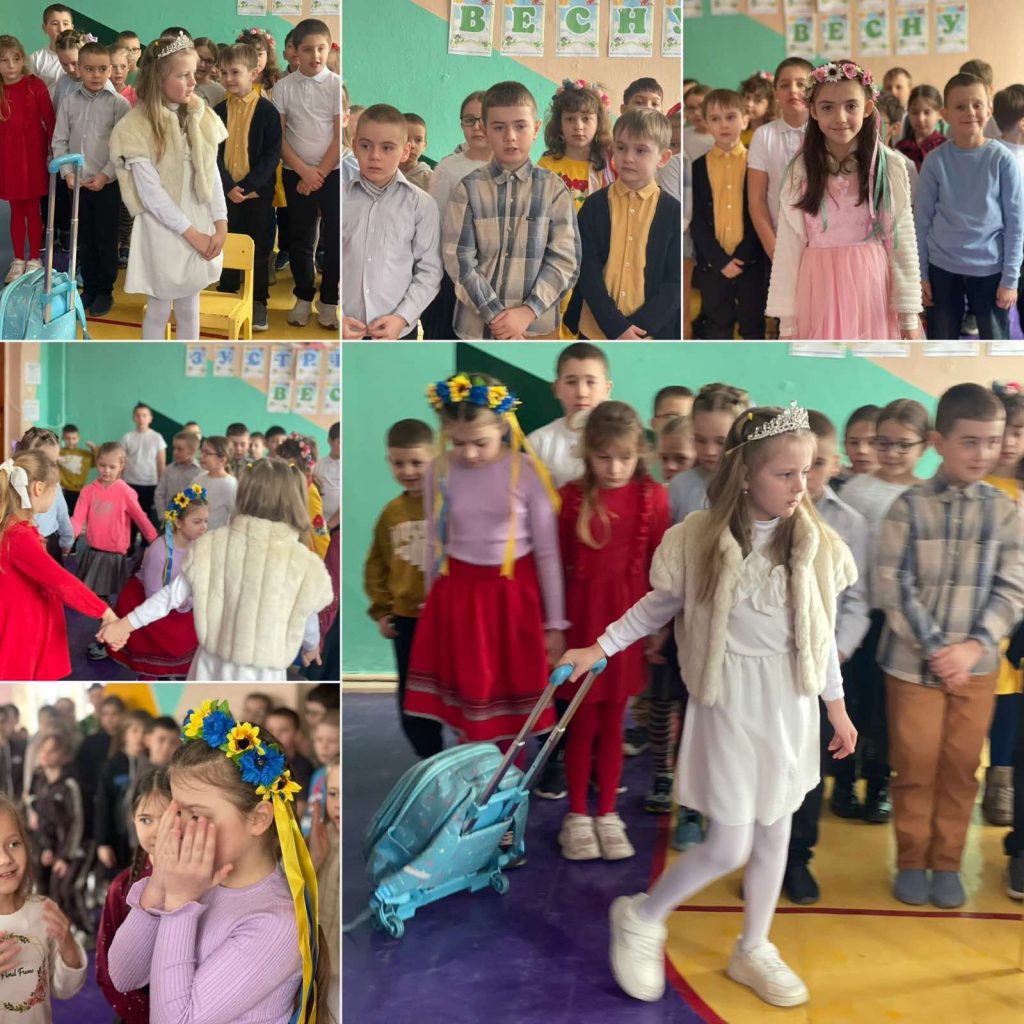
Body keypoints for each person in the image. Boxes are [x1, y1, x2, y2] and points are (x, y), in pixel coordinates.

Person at [558, 401, 858, 1008]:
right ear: (745, 474)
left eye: (806, 472)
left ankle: (754, 946)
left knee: (775, 833)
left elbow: (820, 635)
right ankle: (643, 915)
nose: (800, 486)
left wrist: (837, 706)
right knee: (729, 844)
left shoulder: (815, 544)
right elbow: (655, 608)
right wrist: (600, 646)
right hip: (729, 704)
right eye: (785, 474)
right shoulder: (697, 540)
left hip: (789, 705)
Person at [878, 384, 1024, 909]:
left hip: (977, 669)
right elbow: (893, 585)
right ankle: (912, 860)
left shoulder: (1005, 511)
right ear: (939, 442)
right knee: (915, 766)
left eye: (992, 441)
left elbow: (1014, 587)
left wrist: (974, 646)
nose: (983, 453)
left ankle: (946, 862)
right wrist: (939, 649)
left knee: (962, 770)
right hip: (912, 667)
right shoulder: (907, 507)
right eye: (970, 441)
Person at [106, 703, 328, 1023]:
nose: (179, 828)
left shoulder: (278, 922)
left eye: (197, 815)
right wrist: (160, 882)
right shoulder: (198, 879)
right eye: (177, 812)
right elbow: (124, 976)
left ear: (258, 819)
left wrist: (180, 903)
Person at [403, 373, 567, 751]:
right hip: (457, 597)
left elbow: (548, 553)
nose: (470, 453)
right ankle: (475, 771)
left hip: (512, 599)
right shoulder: (438, 471)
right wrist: (431, 602)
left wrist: (555, 623)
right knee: (468, 697)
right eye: (458, 443)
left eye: (481, 443)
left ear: (503, 427)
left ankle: (508, 775)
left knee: (510, 702)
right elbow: (434, 542)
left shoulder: (526, 472)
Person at [98, 459, 333, 681]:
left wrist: (123, 625)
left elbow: (169, 596)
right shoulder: (302, 561)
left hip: (212, 666)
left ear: (244, 495)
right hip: (265, 673)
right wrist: (311, 646)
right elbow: (307, 616)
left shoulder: (213, 545)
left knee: (207, 711)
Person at [557, 403, 669, 861]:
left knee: (614, 722)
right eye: (604, 457)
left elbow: (661, 570)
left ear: (639, 453)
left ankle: (607, 812)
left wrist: (657, 629)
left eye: (624, 457)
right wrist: (556, 631)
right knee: (581, 723)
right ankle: (577, 814)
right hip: (583, 623)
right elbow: (558, 566)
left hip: (629, 625)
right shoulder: (569, 498)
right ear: (588, 453)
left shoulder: (654, 498)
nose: (615, 468)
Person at [766, 59, 922, 340]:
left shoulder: (888, 165)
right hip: (817, 290)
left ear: (868, 108)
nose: (840, 117)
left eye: (851, 106)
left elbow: (901, 242)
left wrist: (908, 315)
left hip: (872, 290)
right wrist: (787, 323)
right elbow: (788, 248)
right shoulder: (800, 170)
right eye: (828, 107)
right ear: (813, 110)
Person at [784, 410, 870, 904]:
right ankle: (761, 853)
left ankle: (797, 857)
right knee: (769, 764)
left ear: (834, 464)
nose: (808, 476)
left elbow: (857, 601)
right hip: (770, 668)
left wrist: (833, 652)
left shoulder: (849, 523)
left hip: (824, 670)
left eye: (818, 464)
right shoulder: (767, 517)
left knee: (809, 769)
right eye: (799, 465)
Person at [840, 400, 931, 822]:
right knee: (850, 701)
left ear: (925, 445)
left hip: (900, 622)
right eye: (884, 443)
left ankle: (879, 784)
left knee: (887, 709)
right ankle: (843, 781)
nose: (892, 453)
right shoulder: (856, 490)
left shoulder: (924, 495)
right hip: (857, 616)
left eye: (903, 445)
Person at [109, 32, 229, 340]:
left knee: (190, 307)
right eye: (183, 75)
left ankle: (186, 359)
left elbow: (211, 172)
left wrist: (220, 222)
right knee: (159, 308)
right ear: (159, 79)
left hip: (199, 221)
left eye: (193, 73)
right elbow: (152, 196)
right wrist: (193, 235)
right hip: (164, 230)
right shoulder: (136, 127)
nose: (193, 81)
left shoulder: (199, 115)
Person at [442, 80, 581, 339]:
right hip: (477, 329)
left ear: (536, 128)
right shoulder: (467, 189)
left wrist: (528, 311)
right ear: (485, 130)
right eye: (498, 127)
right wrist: (497, 317)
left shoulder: (554, 190)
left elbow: (565, 259)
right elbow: (459, 260)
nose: (510, 137)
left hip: (536, 330)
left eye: (520, 126)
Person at [914, 72, 1024, 340]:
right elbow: (921, 221)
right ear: (945, 114)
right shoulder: (935, 161)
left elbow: (1016, 223)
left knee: (995, 343)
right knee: (941, 341)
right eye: (960, 106)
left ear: (989, 110)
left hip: (990, 268)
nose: (970, 112)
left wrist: (1010, 279)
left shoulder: (1002, 160)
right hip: (942, 267)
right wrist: (921, 273)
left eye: (977, 105)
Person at [0, 451, 116, 679]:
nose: (56, 494)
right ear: (39, 488)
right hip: (20, 628)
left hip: (27, 620)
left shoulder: (17, 528)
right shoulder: (18, 535)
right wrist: (104, 611)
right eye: (56, 489)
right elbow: (60, 581)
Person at [566, 107, 680, 341]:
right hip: (596, 331)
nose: (628, 157)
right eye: (621, 147)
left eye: (640, 150)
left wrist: (639, 329)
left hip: (649, 336)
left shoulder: (673, 213)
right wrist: (616, 327)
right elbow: (586, 271)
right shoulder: (594, 206)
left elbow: (674, 284)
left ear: (663, 158)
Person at [364, 418, 441, 758]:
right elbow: (377, 564)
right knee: (413, 696)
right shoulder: (391, 514)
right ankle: (429, 758)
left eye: (417, 462)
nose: (408, 471)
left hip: (449, 619)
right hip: (407, 620)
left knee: (456, 690)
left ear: (436, 458)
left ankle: (467, 755)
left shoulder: (450, 505)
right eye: (399, 463)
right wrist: (382, 610)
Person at [342, 102, 442, 341]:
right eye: (365, 146)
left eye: (387, 148)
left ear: (405, 151)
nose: (375, 156)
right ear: (354, 146)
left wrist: (402, 318)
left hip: (397, 331)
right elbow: (331, 264)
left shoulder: (422, 205)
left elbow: (429, 271)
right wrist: (339, 315)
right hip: (346, 329)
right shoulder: (340, 199)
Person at [51, 39, 130, 317]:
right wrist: (67, 174)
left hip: (106, 185)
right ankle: (89, 288)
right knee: (83, 238)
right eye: (89, 69)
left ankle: (104, 290)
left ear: (110, 70)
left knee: (105, 239)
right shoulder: (70, 101)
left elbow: (123, 148)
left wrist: (105, 175)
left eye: (102, 69)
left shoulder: (119, 105)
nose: (96, 75)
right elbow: (59, 141)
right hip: (77, 184)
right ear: (80, 69)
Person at [272, 18, 341, 330]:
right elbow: (280, 137)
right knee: (301, 238)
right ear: (294, 52)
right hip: (295, 174)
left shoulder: (336, 85)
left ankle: (329, 301)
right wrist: (303, 171)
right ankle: (303, 296)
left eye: (321, 49)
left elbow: (340, 137)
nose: (316, 55)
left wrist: (319, 173)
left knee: (334, 238)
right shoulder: (283, 87)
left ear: (329, 49)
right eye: (308, 49)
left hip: (331, 173)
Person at [213, 42, 282, 332]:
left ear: (253, 73)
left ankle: (258, 300)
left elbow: (272, 154)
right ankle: (228, 289)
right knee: (228, 241)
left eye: (235, 72)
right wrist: (229, 185)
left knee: (258, 247)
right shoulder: (217, 111)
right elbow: (213, 153)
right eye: (224, 72)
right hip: (227, 193)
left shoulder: (267, 111)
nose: (228, 78)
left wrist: (247, 185)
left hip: (257, 194)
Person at [96, 764, 171, 1024]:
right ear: (132, 819)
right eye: (146, 819)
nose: (156, 830)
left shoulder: (207, 879)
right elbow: (107, 969)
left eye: (168, 817)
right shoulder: (122, 886)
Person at [0, 792, 86, 1019]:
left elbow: (65, 989)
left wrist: (68, 946)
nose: (5, 858)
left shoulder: (43, 910)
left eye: (13, 844)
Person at [70, 441, 159, 660]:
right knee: (97, 601)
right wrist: (67, 540)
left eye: (111, 466)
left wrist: (156, 543)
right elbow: (77, 519)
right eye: (102, 465)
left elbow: (141, 518)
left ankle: (108, 640)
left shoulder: (125, 492)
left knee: (105, 602)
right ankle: (109, 636)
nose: (106, 471)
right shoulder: (89, 490)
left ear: (122, 466)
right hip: (92, 553)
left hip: (114, 556)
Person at [107, 484, 207, 678]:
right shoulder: (159, 552)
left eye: (206, 521)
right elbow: (154, 597)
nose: (204, 527)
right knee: (154, 658)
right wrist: (190, 602)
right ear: (178, 522)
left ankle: (168, 673)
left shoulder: (198, 544)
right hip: (151, 606)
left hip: (177, 604)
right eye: (197, 521)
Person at [981, 384, 1024, 826]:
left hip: (1021, 615)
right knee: (990, 694)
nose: (1010, 442)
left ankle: (1003, 781)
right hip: (986, 611)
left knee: (1013, 700)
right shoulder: (978, 485)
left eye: (1019, 432)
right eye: (1004, 432)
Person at [690, 89, 766, 340]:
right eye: (715, 118)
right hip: (713, 266)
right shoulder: (697, 167)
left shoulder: (757, 163)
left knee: (752, 326)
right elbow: (696, 219)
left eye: (731, 117)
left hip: (751, 264)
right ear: (706, 123)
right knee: (716, 326)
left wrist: (743, 257)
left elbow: (761, 212)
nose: (723, 125)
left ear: (745, 120)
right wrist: (720, 260)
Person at [420, 91, 492, 339]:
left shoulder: (508, 166)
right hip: (451, 276)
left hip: (493, 278)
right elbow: (435, 225)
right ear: (462, 125)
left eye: (484, 119)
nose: (477, 126)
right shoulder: (448, 168)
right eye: (469, 120)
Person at [0, 33, 55, 284]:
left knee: (33, 208)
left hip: (32, 155)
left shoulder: (36, 85)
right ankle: (18, 258)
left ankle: (34, 257)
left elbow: (50, 121)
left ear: (23, 59)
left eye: (15, 58)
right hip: (8, 157)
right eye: (3, 60)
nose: (11, 65)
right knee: (16, 209)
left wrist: (54, 153)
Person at [527, 342, 613, 488]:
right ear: (557, 389)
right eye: (571, 382)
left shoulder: (622, 438)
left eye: (590, 382)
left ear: (607, 389)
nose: (581, 393)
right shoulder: (539, 442)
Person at [895, 84, 947, 172]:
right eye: (915, 112)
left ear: (940, 114)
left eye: (927, 112)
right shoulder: (901, 148)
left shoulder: (945, 148)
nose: (920, 119)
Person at [27, 3, 74, 97]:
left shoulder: (84, 56)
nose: (61, 29)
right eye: (55, 24)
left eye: (65, 24)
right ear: (44, 28)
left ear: (72, 27)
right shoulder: (35, 59)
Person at [153, 430, 201, 518]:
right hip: (170, 518)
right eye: (174, 448)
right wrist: (163, 515)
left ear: (192, 451)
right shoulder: (169, 470)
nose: (175, 452)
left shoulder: (201, 473)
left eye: (180, 449)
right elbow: (159, 494)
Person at [193, 435, 237, 529]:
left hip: (216, 535)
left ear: (222, 460)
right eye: (202, 451)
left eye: (207, 453)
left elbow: (236, 515)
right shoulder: (199, 478)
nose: (201, 456)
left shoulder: (230, 484)